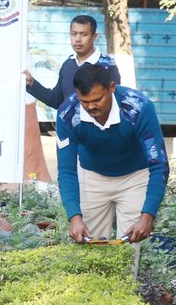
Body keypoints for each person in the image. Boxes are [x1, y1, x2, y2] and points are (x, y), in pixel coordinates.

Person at [56, 63, 168, 245]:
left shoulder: (139, 108)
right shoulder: (67, 115)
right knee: (89, 248)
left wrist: (148, 215)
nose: (91, 107)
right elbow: (66, 170)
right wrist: (74, 217)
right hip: (93, 177)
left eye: (97, 99)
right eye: (84, 101)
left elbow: (159, 163)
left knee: (130, 248)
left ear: (112, 88)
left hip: (135, 177)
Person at [24, 14, 120, 110]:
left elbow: (114, 105)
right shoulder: (68, 64)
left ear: (94, 37)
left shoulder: (107, 66)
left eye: (84, 34)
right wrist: (32, 84)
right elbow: (57, 101)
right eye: (74, 34)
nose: (78, 39)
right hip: (67, 125)